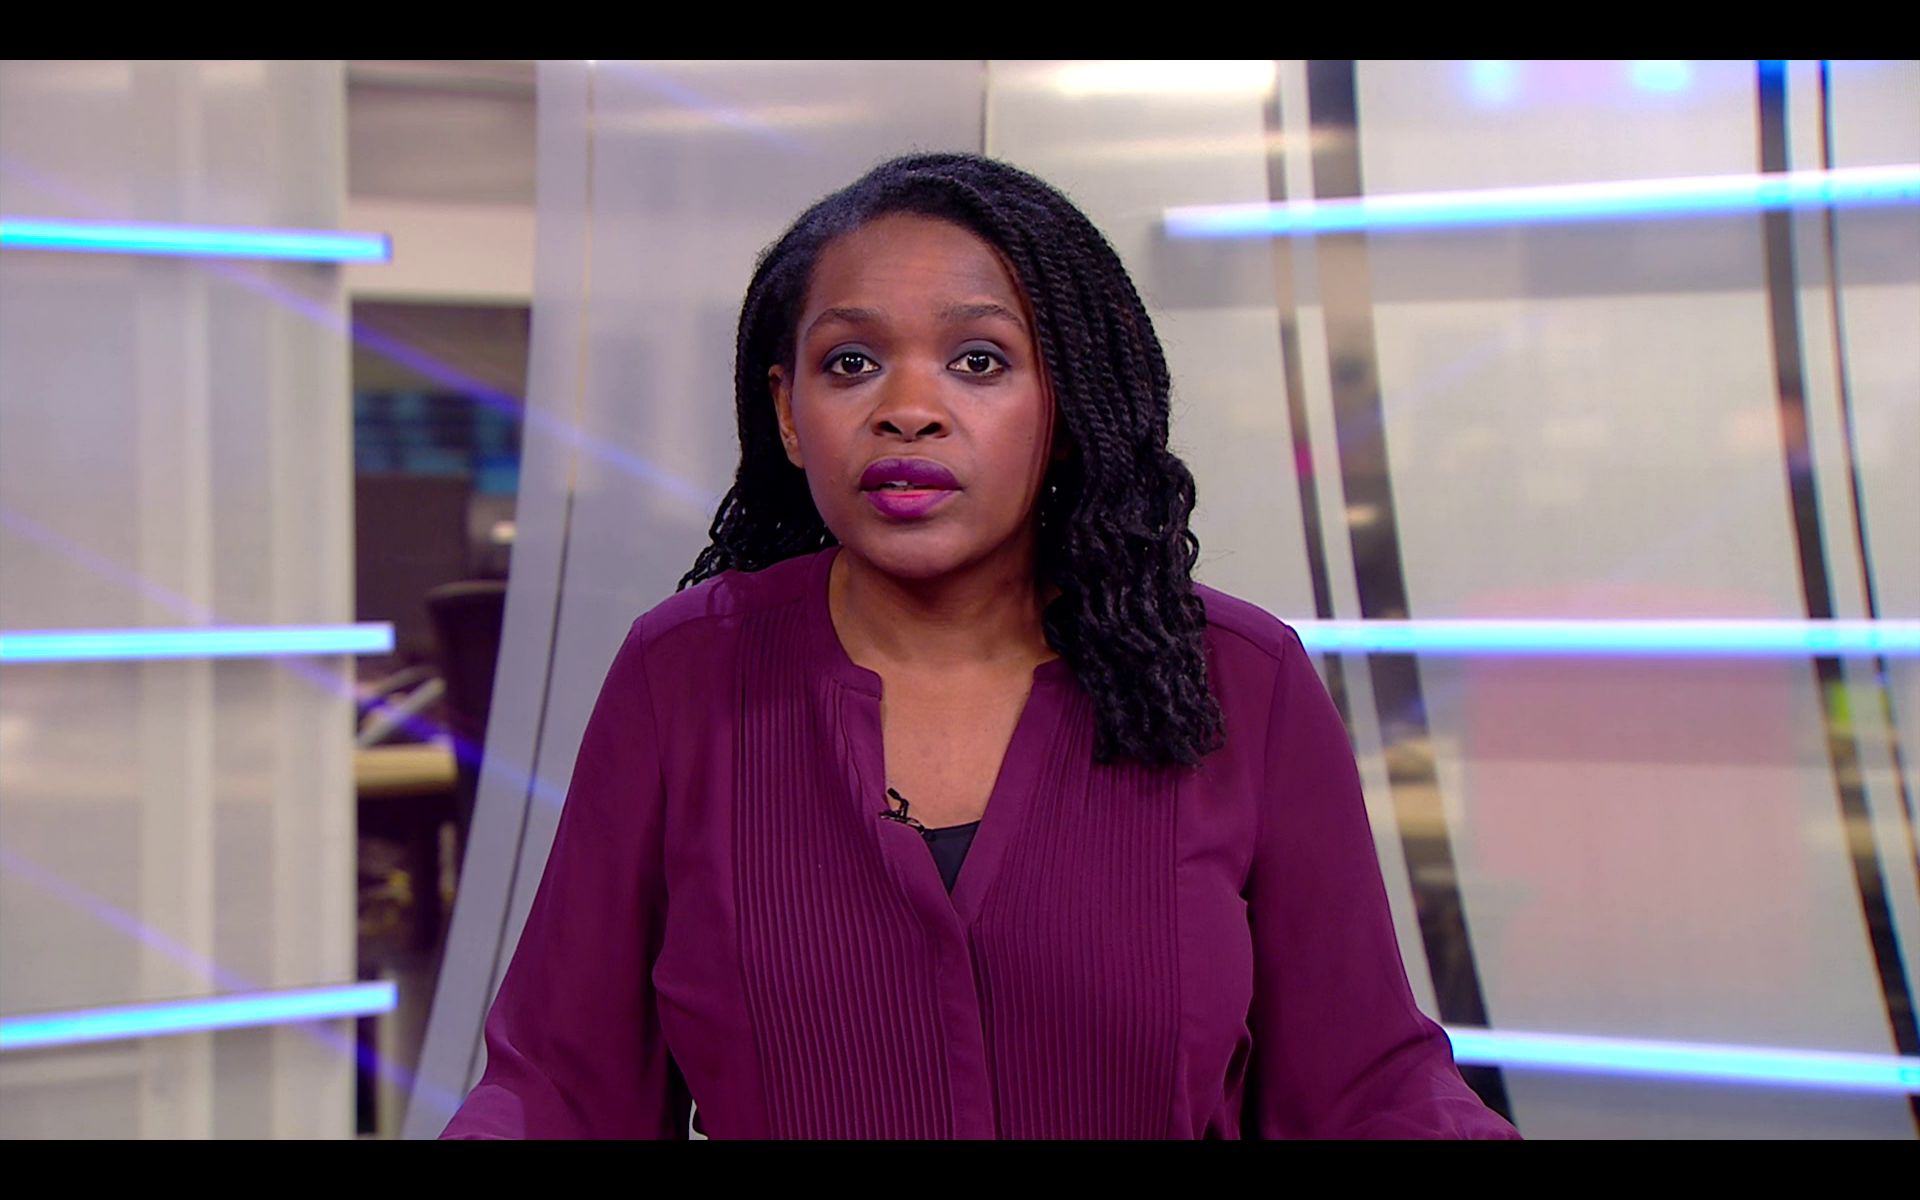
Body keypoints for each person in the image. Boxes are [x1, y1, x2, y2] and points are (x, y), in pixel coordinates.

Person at [440, 152, 1519, 1140]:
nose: (909, 410)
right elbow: (560, 1087)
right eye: (851, 362)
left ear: (1068, 404)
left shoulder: (1241, 678)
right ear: (788, 413)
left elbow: (1367, 1088)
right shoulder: (683, 674)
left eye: (979, 360)